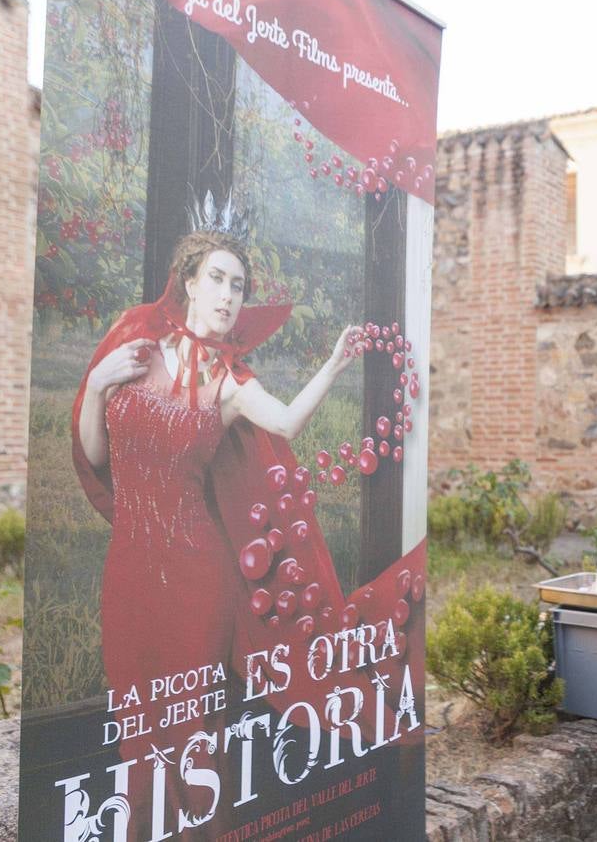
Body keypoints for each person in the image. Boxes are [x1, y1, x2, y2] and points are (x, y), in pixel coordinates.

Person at [72, 223, 421, 834]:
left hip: (198, 581)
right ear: (188, 282)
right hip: (127, 577)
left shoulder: (230, 382)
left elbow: (285, 423)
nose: (228, 295)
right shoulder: (137, 350)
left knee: (193, 735)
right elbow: (96, 456)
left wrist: (335, 363)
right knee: (139, 729)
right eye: (217, 279)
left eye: (238, 286)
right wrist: (99, 383)